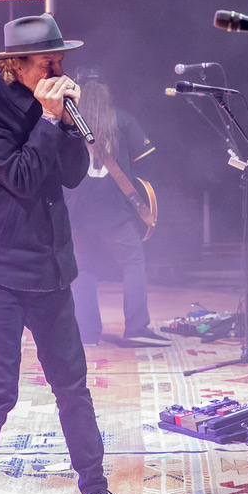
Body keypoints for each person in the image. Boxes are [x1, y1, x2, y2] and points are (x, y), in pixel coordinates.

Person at [0, 13, 123, 494]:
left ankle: (96, 491)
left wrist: (67, 122)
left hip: (49, 265)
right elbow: (22, 178)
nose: (58, 68)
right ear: (14, 64)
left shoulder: (58, 105)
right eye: (48, 61)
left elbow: (69, 176)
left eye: (60, 59)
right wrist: (49, 120)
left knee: (72, 384)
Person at [66, 69, 169, 348]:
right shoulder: (123, 119)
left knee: (84, 269)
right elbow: (148, 162)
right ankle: (136, 327)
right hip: (116, 211)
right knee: (132, 263)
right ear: (106, 91)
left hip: (78, 211)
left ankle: (87, 335)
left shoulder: (67, 122)